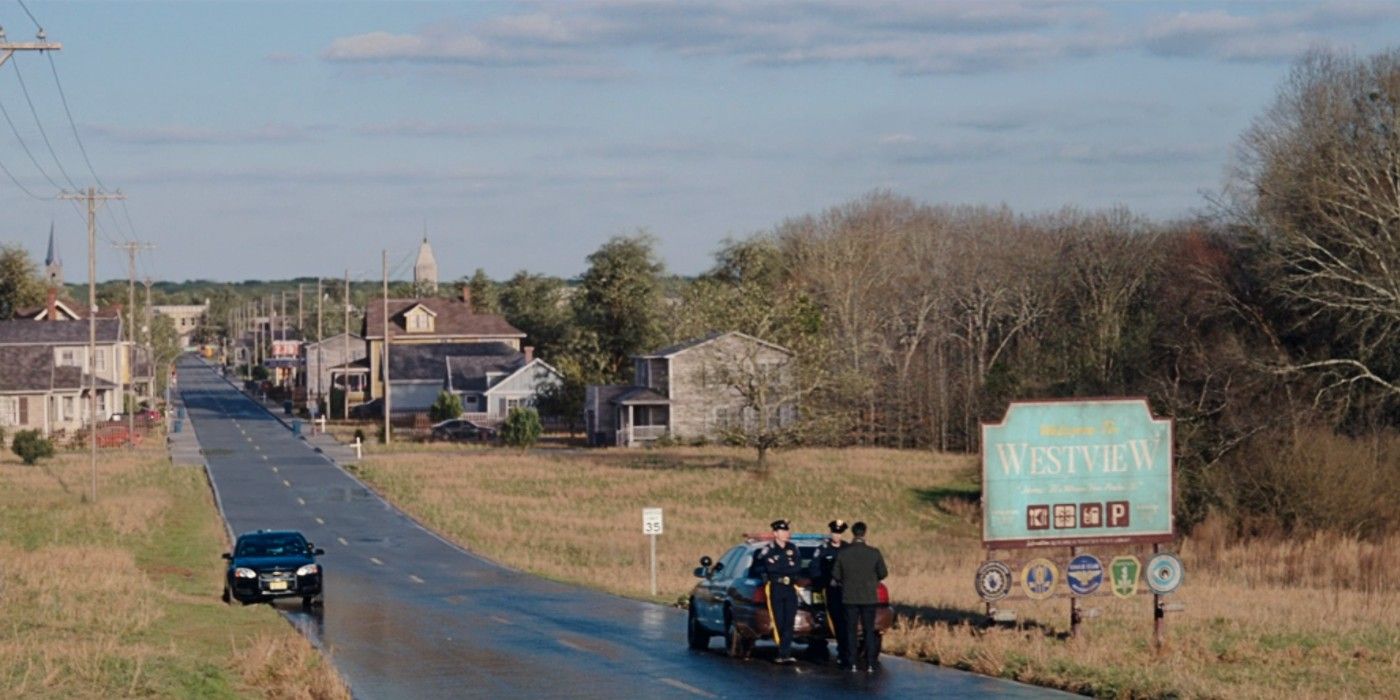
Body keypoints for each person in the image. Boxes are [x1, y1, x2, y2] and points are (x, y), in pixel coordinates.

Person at [832, 521, 888, 672]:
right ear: (864, 533)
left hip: (849, 597)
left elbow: (836, 574)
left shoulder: (843, 553)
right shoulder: (874, 553)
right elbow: (883, 573)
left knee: (850, 630)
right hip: (869, 597)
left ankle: (852, 663)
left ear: (852, 533)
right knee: (868, 630)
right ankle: (870, 662)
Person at [757, 519, 802, 664]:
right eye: (782, 531)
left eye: (786, 531)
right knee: (779, 620)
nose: (785, 533)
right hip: (776, 587)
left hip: (790, 587)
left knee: (789, 620)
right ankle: (781, 650)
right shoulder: (769, 549)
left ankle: (785, 652)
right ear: (775, 533)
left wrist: (780, 567)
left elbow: (796, 567)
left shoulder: (793, 548)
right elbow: (769, 568)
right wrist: (784, 568)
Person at [807, 519, 850, 666]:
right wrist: (820, 584)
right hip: (825, 590)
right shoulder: (823, 549)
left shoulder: (847, 549)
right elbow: (814, 568)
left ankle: (843, 651)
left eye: (839, 533)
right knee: (821, 621)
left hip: (844, 592)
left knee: (843, 623)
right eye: (834, 532)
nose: (836, 535)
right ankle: (819, 650)